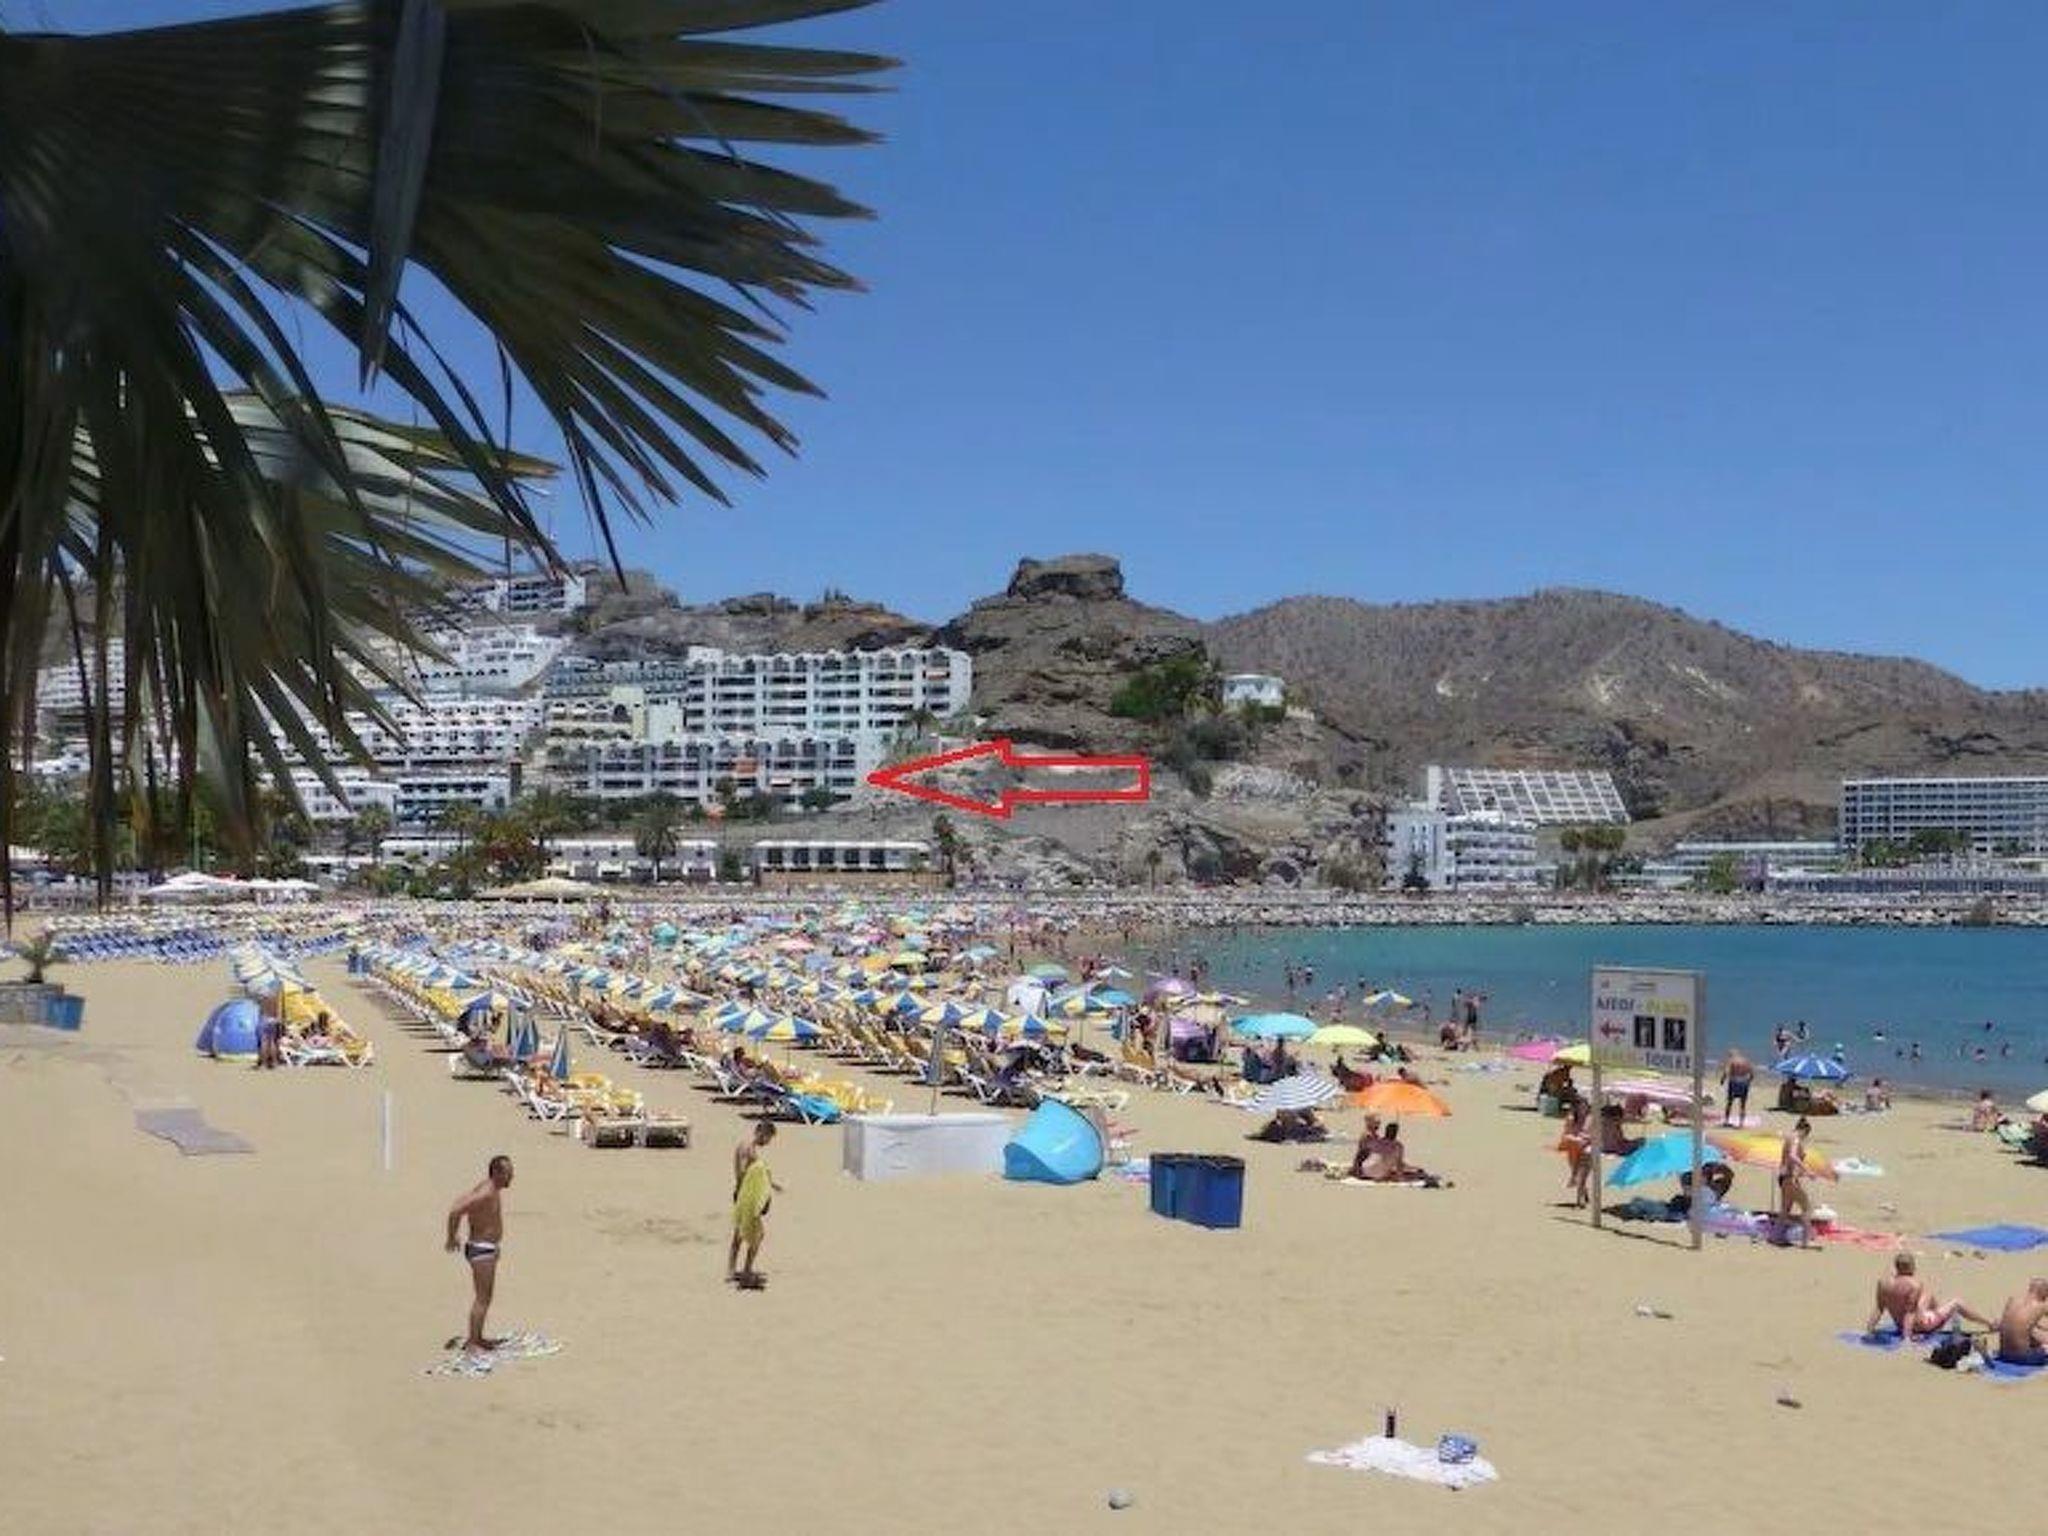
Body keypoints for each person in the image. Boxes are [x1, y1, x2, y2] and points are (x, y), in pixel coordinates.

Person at [445, 1154, 513, 1354]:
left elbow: (461, 1203)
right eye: (508, 1173)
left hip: (486, 1248)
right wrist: (451, 1237)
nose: (511, 1177)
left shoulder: (489, 1189)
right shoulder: (486, 1193)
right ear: (497, 1173)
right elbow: (456, 1210)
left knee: (485, 1297)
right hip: (481, 1249)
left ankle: (478, 1337)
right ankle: (473, 1341)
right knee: (483, 1298)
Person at [1865, 1252, 1989, 1341]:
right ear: (1912, 1267)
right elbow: (1910, 1313)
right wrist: (1907, 1337)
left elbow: (1879, 1308)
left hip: (1900, 1324)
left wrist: (1870, 1329)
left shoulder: (1883, 1283)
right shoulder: (1914, 1285)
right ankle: (1988, 1323)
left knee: (1927, 1294)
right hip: (1920, 1326)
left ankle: (1936, 1313)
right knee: (1957, 1303)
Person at [729, 1122, 783, 1288]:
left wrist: (772, 1184)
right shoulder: (747, 1148)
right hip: (746, 1196)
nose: (768, 1142)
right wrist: (751, 1194)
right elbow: (743, 1172)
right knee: (757, 1235)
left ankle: (731, 1270)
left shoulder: (748, 1146)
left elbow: (753, 1172)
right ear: (760, 1133)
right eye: (768, 1138)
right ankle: (746, 1271)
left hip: (743, 1194)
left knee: (740, 1233)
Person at [1991, 1279, 2048, 1367]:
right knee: (2043, 1345)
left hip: (2003, 1355)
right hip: (2023, 1359)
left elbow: (2012, 1324)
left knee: (2029, 1333)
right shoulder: (2042, 1306)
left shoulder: (2012, 1300)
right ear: (2042, 1291)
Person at [1776, 1118, 1814, 1249]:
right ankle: (1806, 1242)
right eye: (1806, 1134)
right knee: (1807, 1207)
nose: (1806, 1138)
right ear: (1804, 1130)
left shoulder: (1789, 1138)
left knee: (1785, 1209)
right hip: (1790, 1177)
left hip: (1784, 1177)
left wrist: (1801, 1172)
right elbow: (1792, 1156)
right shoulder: (1796, 1139)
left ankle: (1777, 1237)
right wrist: (1807, 1170)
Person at [1559, 1100, 1593, 1208]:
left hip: (1588, 1147)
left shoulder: (1592, 1118)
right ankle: (1583, 1192)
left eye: (1585, 1106)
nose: (1583, 1108)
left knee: (1582, 1173)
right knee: (1577, 1173)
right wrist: (1577, 1139)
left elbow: (1597, 1134)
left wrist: (1587, 1139)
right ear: (1576, 1107)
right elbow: (1565, 1134)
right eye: (1580, 1106)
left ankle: (1579, 1200)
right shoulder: (1571, 1118)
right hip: (1573, 1147)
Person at [1720, 1049, 1752, 1126]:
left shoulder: (1731, 1061)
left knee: (1729, 1103)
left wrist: (1722, 1080)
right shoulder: (1745, 1061)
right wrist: (1748, 1082)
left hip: (1734, 1082)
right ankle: (1741, 1123)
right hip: (1744, 1082)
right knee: (1743, 1104)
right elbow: (1751, 1073)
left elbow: (1726, 1072)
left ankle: (1726, 1121)